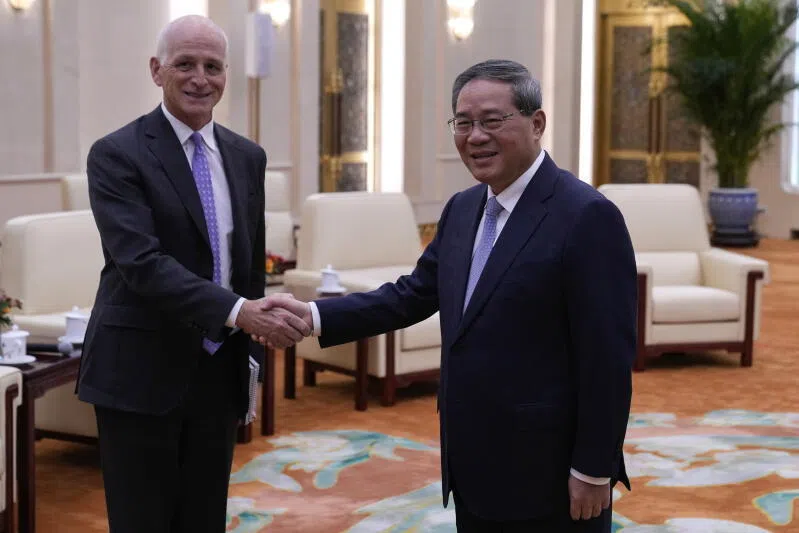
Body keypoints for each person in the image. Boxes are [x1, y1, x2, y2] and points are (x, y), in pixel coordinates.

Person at [267, 59, 636, 532]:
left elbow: (606, 358)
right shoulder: (464, 209)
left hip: (551, 473)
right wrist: (314, 315)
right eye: (463, 123)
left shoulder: (586, 216)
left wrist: (593, 467)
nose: (475, 136)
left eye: (491, 120)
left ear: (537, 122)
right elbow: (411, 296)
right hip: (473, 463)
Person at [77, 15, 310, 533]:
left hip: (217, 371)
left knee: (204, 519)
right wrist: (242, 314)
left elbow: (247, 268)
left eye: (213, 66)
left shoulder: (248, 157)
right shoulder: (117, 154)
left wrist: (248, 362)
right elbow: (142, 264)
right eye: (185, 64)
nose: (200, 78)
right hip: (139, 372)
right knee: (144, 521)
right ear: (157, 70)